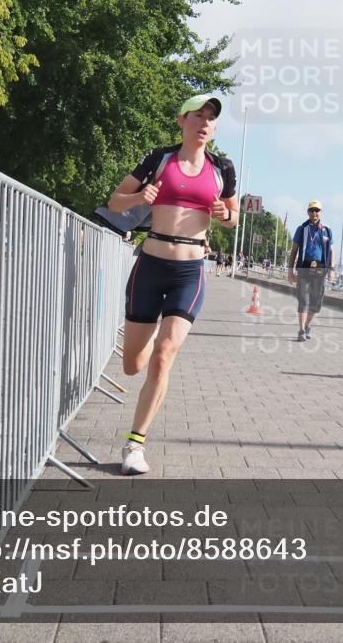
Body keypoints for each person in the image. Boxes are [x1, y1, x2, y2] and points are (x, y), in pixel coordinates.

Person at [107, 94, 238, 474]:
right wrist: (139, 196)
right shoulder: (158, 159)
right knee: (134, 365)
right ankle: (147, 342)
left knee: (164, 355)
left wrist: (224, 214)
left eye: (211, 119)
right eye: (198, 115)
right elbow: (115, 202)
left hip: (190, 271)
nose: (205, 123)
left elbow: (232, 218)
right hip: (150, 265)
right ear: (182, 120)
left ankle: (134, 446)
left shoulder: (222, 168)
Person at [287, 201, 334, 341]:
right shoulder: (302, 229)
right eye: (312, 210)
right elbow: (294, 250)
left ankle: (307, 325)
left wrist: (332, 269)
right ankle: (301, 330)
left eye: (317, 210)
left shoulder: (326, 230)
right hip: (304, 268)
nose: (315, 213)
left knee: (316, 303)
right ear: (308, 212)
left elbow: (331, 251)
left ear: (320, 212)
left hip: (320, 270)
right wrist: (290, 271)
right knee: (303, 300)